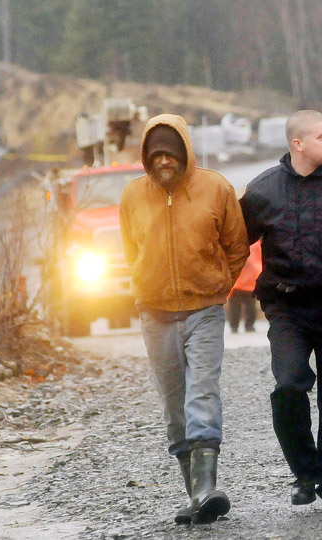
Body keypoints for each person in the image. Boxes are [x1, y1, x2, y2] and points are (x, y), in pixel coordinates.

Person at [238, 110, 322, 512]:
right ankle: (304, 473)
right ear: (298, 144)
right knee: (289, 384)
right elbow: (233, 243)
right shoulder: (262, 191)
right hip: (287, 308)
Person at [119, 114, 249, 524]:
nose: (163, 162)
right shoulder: (132, 195)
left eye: (169, 154)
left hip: (205, 309)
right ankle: (196, 495)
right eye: (155, 155)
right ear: (145, 157)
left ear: (184, 153)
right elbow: (129, 249)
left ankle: (207, 486)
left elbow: (237, 246)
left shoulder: (216, 188)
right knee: (174, 405)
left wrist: (218, 286)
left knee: (203, 392)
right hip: (154, 314)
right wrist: (145, 279)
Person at [225, 242, 262, 333]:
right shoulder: (256, 244)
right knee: (250, 304)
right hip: (252, 279)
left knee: (235, 306)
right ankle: (249, 326)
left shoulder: (234, 241)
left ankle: (234, 326)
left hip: (237, 280)